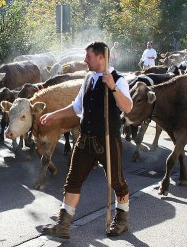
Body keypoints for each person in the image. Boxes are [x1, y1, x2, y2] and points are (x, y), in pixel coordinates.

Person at [40, 41, 133, 238]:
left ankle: (122, 220)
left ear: (101, 57)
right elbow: (76, 107)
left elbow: (127, 108)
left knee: (117, 182)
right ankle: (63, 225)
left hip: (108, 140)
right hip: (85, 140)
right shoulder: (88, 78)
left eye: (88, 56)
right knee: (72, 181)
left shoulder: (118, 79)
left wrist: (113, 87)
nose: (84, 60)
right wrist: (54, 115)